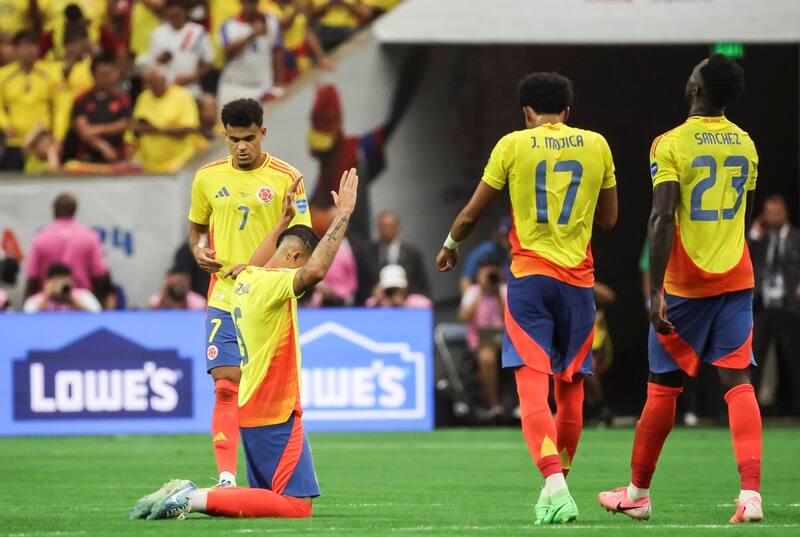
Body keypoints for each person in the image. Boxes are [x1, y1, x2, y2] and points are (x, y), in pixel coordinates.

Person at [437, 72, 618, 524]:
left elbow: (470, 214)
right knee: (571, 386)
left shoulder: (513, 144)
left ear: (526, 113)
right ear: (568, 112)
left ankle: (553, 486)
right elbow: (611, 219)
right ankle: (557, 485)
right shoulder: (596, 144)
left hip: (530, 279)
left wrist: (451, 246)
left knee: (531, 385)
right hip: (578, 283)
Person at [130, 168, 359, 521]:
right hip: (275, 409)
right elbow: (315, 272)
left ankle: (198, 497)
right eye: (305, 261)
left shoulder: (246, 278)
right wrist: (342, 214)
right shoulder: (275, 285)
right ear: (296, 259)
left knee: (262, 499)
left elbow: (256, 260)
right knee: (297, 508)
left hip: (251, 409)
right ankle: (193, 497)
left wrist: (282, 220)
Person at [598, 54, 763, 524]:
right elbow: (742, 217)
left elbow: (661, 216)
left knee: (663, 389)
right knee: (738, 382)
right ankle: (750, 495)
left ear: (696, 88)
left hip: (687, 284)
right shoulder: (747, 144)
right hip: (736, 276)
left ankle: (637, 493)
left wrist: (655, 289)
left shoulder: (670, 144)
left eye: (696, 69)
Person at [187, 97, 311, 489]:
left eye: (248, 138)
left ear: (263, 133)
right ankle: (225, 478)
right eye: (233, 139)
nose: (241, 147)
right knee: (225, 385)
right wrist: (197, 250)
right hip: (223, 294)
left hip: (268, 302)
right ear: (224, 135)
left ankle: (276, 476)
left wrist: (261, 273)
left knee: (267, 394)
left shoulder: (287, 177)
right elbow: (196, 230)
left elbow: (302, 242)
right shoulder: (206, 176)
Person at [748, 195, 800, 415]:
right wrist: (752, 236)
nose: (772, 217)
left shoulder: (796, 238)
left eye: (776, 212)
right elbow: (743, 258)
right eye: (768, 213)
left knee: (793, 359)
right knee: (754, 358)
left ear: (785, 213)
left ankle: (796, 409)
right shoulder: (761, 239)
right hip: (764, 305)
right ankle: (751, 409)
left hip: (789, 306)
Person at [24, 193, 110, 302]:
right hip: (81, 299)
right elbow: (99, 275)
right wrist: (101, 304)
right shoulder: (89, 236)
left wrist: (27, 304)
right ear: (74, 210)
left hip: (48, 299)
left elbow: (32, 277)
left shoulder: (41, 237)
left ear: (54, 210)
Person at [0, 29, 65, 170]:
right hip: (14, 142)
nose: (27, 51)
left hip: (42, 143)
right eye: (23, 46)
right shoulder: (4, 75)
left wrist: (58, 136)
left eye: (31, 46)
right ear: (15, 50)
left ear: (38, 48)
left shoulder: (51, 73)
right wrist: (4, 124)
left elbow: (60, 108)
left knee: (47, 184)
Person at [458, 258, 506, 419]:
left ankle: (525, 405)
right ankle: (494, 405)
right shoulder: (472, 292)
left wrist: (497, 294)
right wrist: (481, 291)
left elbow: (511, 318)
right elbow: (464, 317)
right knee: (487, 357)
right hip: (480, 343)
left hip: (507, 342)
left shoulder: (505, 291)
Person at [131, 66, 199, 172]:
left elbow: (190, 128)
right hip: (148, 164)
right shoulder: (144, 96)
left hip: (178, 163)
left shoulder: (182, 95)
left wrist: (159, 129)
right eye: (148, 83)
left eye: (154, 83)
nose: (151, 87)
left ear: (165, 80)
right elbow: (135, 125)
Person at [66, 52, 130, 164]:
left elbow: (124, 124)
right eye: (102, 74)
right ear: (93, 74)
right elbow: (83, 130)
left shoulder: (122, 98)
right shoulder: (81, 99)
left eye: (109, 74)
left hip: (117, 158)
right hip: (86, 159)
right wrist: (103, 146)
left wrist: (96, 129)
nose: (106, 78)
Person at [217, 0, 284, 107]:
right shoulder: (229, 25)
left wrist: (279, 84)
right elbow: (228, 50)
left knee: (265, 122)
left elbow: (277, 52)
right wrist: (252, 34)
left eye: (254, 2)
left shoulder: (271, 21)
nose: (251, 5)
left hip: (263, 88)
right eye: (247, 2)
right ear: (241, 3)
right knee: (229, 123)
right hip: (234, 87)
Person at [146, 0, 215, 100]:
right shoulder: (158, 33)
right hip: (165, 92)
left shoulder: (198, 32)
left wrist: (192, 77)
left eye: (177, 15)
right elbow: (151, 66)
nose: (175, 19)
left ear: (184, 12)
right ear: (166, 13)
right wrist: (159, 60)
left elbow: (209, 62)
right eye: (171, 16)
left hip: (191, 90)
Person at [366, 211, 429, 297]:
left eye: (389, 226)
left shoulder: (412, 253)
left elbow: (422, 283)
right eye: (382, 227)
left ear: (397, 228)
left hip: (408, 304)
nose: (385, 231)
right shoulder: (368, 253)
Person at [23, 263, 102, 312]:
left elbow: (97, 316)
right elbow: (29, 321)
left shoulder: (83, 295)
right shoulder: (35, 300)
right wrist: (46, 297)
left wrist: (71, 301)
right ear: (48, 282)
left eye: (65, 282)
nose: (61, 287)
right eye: (57, 282)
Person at [460, 216, 511, 292]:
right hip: (486, 295)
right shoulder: (489, 249)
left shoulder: (522, 252)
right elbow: (465, 281)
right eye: (502, 235)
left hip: (509, 292)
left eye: (507, 235)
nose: (504, 239)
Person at [365, 264, 431, 309]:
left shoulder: (419, 302)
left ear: (405, 287)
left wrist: (402, 306)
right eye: (389, 288)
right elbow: (368, 310)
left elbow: (426, 307)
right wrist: (378, 301)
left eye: (397, 288)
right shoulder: (378, 303)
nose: (394, 292)